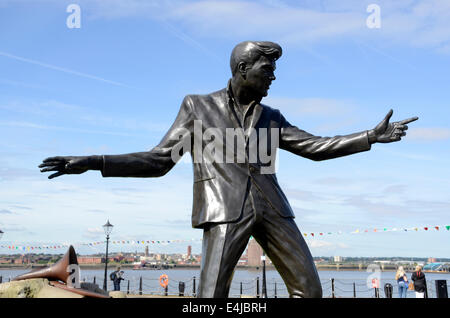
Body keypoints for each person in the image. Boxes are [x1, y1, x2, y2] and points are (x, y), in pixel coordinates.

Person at [38, 41, 418, 298]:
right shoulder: (198, 107)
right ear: (242, 69)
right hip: (224, 211)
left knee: (310, 290)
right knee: (211, 298)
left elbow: (315, 147)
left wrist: (369, 136)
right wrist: (93, 162)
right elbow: (158, 161)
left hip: (274, 210)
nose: (273, 77)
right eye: (266, 70)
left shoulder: (272, 116)